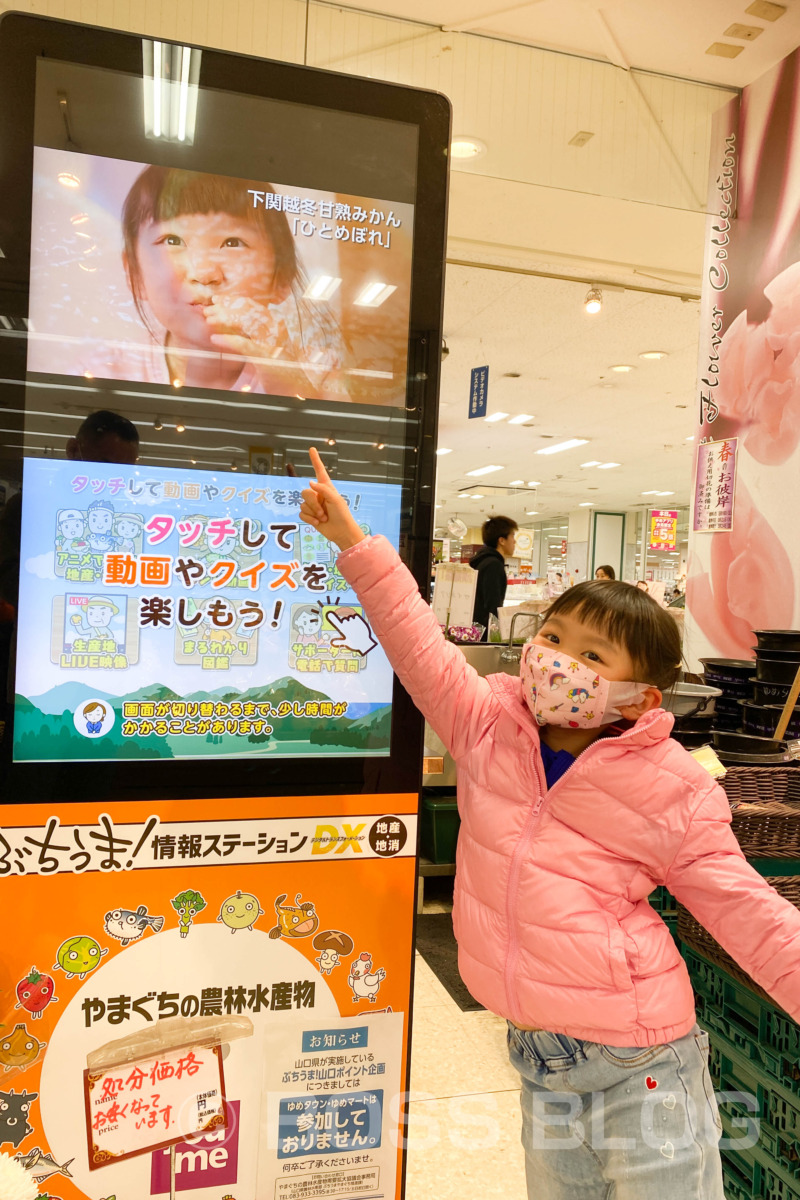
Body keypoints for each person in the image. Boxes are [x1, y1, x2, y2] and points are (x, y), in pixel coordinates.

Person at [299, 445, 800, 1200]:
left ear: (640, 699)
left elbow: (750, 913)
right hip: (539, 1058)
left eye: (592, 655)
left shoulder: (670, 789)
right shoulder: (486, 726)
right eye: (556, 638)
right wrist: (354, 543)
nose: (556, 660)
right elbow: (415, 641)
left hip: (645, 1063)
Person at [99, 167, 345, 398]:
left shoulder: (318, 373)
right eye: (172, 240)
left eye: (233, 242)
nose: (204, 273)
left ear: (281, 277)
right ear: (136, 275)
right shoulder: (106, 372)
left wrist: (286, 379)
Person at [469, 515, 518, 632]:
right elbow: (493, 607)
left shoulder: (483, 561)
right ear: (501, 540)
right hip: (485, 635)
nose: (514, 541)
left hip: (476, 631)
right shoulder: (493, 565)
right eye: (512, 536)